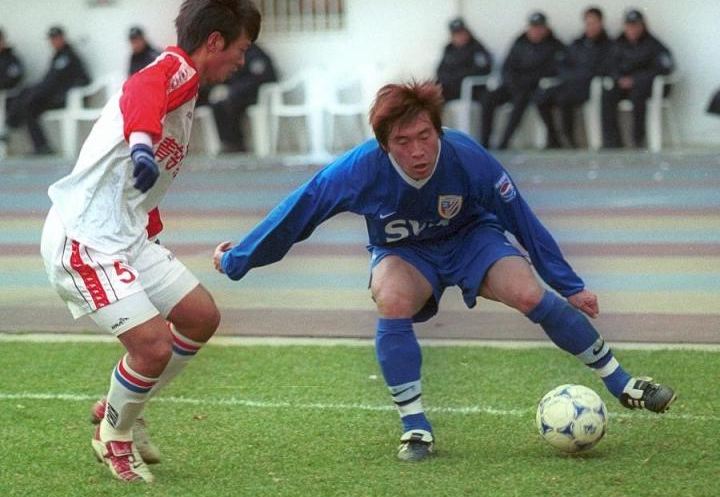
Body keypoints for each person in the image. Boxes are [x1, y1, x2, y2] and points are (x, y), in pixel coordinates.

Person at [212, 80, 676, 463]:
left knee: (528, 292)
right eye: (403, 142)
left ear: (438, 130)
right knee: (391, 297)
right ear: (383, 144)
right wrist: (238, 259)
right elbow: (299, 212)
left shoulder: (466, 156)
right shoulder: (358, 170)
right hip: (405, 252)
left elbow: (521, 219)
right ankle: (415, 426)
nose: (418, 151)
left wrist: (569, 285)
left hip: (472, 239)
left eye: (425, 136)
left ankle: (622, 382)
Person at [39, 0, 260, 483]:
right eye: (242, 49)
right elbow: (141, 88)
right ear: (215, 42)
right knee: (154, 347)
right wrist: (142, 143)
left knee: (200, 317)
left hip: (127, 237)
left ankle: (124, 408)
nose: (242, 60)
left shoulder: (189, 88)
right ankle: (115, 437)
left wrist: (150, 235)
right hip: (86, 240)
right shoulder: (173, 68)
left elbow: (143, 189)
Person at [480, 12, 565, 149]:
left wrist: (528, 81)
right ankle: (484, 142)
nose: (536, 31)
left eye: (539, 28)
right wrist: (512, 83)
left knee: (521, 99)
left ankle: (504, 142)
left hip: (534, 87)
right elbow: (507, 67)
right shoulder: (520, 43)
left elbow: (554, 70)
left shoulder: (554, 46)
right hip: (513, 85)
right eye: (533, 27)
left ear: (545, 29)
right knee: (487, 98)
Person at [534, 7, 611, 148]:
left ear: (601, 23)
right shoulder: (577, 44)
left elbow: (602, 69)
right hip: (569, 83)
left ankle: (569, 138)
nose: (591, 27)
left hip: (587, 87)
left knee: (564, 98)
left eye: (594, 23)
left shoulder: (608, 46)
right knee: (542, 97)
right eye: (588, 23)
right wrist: (569, 76)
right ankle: (553, 136)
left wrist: (578, 76)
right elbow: (562, 64)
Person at [6, 26, 90, 155]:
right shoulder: (58, 56)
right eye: (52, 39)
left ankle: (11, 123)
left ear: (62, 38)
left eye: (56, 38)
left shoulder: (70, 56)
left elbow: (83, 80)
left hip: (63, 98)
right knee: (28, 104)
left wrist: (67, 91)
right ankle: (41, 146)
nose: (54, 42)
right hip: (52, 97)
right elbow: (48, 81)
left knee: (29, 99)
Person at [601, 9, 674, 148]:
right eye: (629, 26)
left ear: (642, 26)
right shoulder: (618, 44)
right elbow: (608, 67)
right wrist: (619, 79)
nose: (632, 29)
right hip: (622, 85)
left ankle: (638, 139)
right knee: (608, 95)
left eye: (636, 25)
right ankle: (612, 141)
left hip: (644, 87)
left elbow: (664, 68)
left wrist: (636, 80)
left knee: (638, 95)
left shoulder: (653, 44)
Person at [210, 42, 277, 152]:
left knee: (230, 101)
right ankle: (228, 142)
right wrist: (220, 88)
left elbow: (262, 78)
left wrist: (232, 91)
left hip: (254, 95)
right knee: (217, 102)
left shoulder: (254, 52)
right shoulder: (230, 52)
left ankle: (237, 144)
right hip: (235, 93)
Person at [435, 17, 492, 103]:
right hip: (451, 87)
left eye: (462, 33)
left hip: (471, 89)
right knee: (431, 95)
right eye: (456, 35)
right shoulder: (449, 49)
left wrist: (456, 76)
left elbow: (481, 70)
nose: (460, 37)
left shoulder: (477, 48)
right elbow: (440, 71)